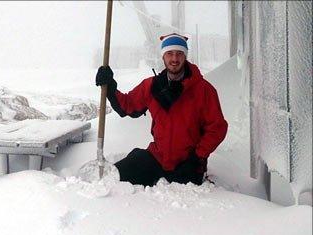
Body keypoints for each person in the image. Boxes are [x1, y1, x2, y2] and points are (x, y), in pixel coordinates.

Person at [95, 33, 228, 186]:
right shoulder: (152, 86)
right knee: (113, 179)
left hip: (188, 164)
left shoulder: (204, 90)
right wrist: (110, 86)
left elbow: (217, 128)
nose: (174, 59)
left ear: (185, 56)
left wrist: (198, 156)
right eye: (169, 53)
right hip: (157, 158)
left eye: (179, 54)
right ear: (163, 57)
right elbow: (127, 106)